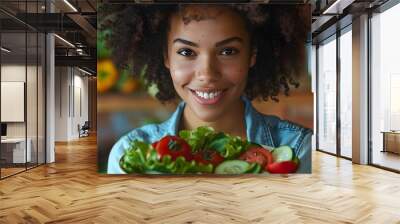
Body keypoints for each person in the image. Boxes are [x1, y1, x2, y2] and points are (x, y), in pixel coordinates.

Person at [105, 4, 312, 174]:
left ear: (252, 55)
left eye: (228, 51)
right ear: (166, 56)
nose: (207, 74)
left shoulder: (299, 148)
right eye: (186, 52)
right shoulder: (128, 154)